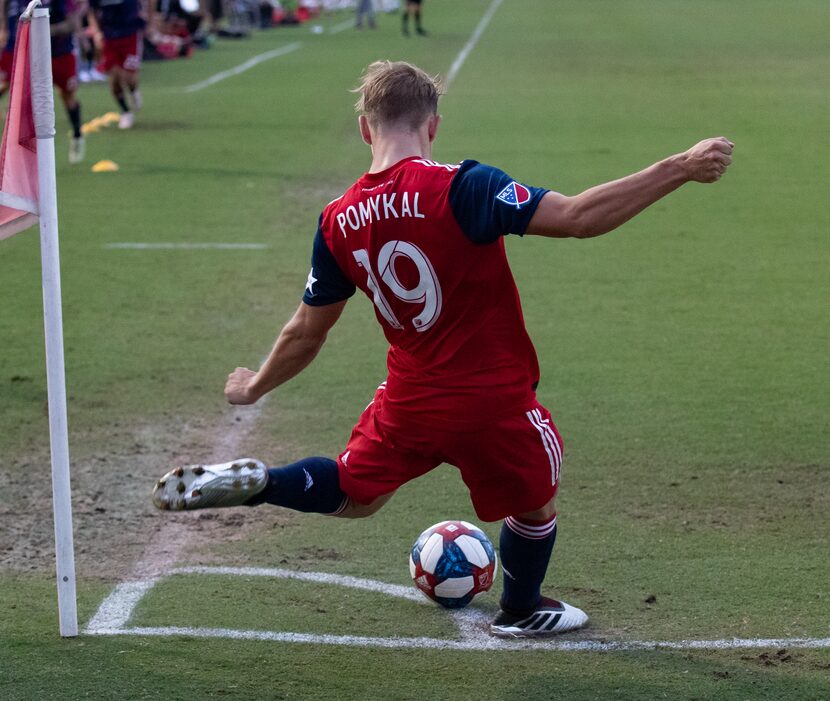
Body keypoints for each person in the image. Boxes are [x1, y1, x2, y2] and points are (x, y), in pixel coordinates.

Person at [152, 60, 733, 637]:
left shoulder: (337, 220)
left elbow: (307, 330)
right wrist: (678, 167)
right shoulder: (464, 187)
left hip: (409, 399)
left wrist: (254, 385)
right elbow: (579, 218)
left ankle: (265, 484)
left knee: (355, 496)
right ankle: (523, 608)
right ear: (432, 125)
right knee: (534, 502)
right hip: (492, 400)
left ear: (364, 128)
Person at [0, 0, 86, 163]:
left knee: (68, 97)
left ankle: (77, 135)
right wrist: (4, 27)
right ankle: (23, 150)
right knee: (23, 99)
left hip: (60, 52)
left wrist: (43, 28)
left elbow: (72, 24)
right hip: (31, 52)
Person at [87, 0, 149, 129]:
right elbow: (92, 12)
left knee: (129, 77)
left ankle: (133, 91)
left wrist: (148, 18)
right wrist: (97, 32)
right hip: (109, 36)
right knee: (114, 78)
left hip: (130, 33)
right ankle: (125, 111)